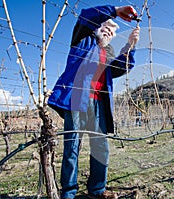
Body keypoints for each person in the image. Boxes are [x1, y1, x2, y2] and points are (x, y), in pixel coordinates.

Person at [47, 4, 140, 199]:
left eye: (112, 31)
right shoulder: (82, 40)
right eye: (105, 26)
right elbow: (86, 16)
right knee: (72, 148)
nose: (108, 30)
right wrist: (115, 10)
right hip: (76, 101)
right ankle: (69, 193)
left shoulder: (109, 51)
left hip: (99, 104)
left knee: (101, 148)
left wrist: (129, 47)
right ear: (97, 27)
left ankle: (97, 190)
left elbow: (120, 68)